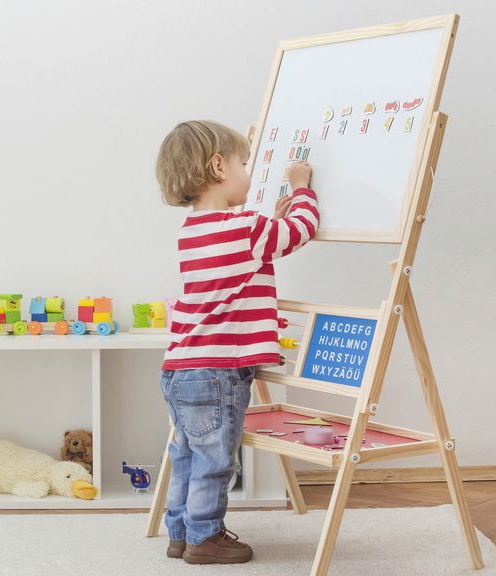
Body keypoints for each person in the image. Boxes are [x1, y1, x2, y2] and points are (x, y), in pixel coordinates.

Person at [155, 120, 319, 564]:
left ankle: (180, 533)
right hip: (217, 370)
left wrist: (271, 221)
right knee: (216, 461)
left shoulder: (193, 231)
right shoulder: (249, 229)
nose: (249, 171)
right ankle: (205, 539)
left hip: (181, 367)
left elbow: (248, 251)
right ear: (218, 166)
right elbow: (301, 229)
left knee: (188, 454)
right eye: (244, 163)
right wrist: (301, 187)